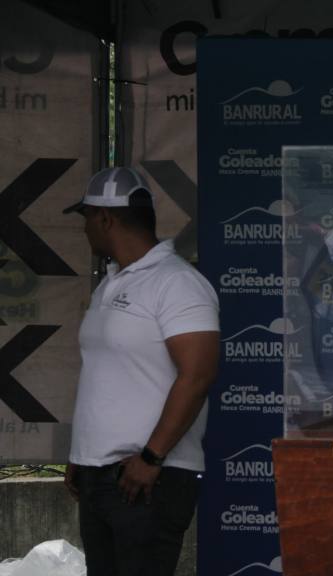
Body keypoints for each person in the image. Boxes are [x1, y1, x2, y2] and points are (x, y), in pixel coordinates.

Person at [61, 167, 220, 576]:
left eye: (86, 219)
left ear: (105, 219)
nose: (85, 231)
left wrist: (152, 456)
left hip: (150, 479)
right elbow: (108, 374)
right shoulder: (109, 284)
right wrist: (84, 453)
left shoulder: (178, 283)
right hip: (103, 479)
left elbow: (198, 375)